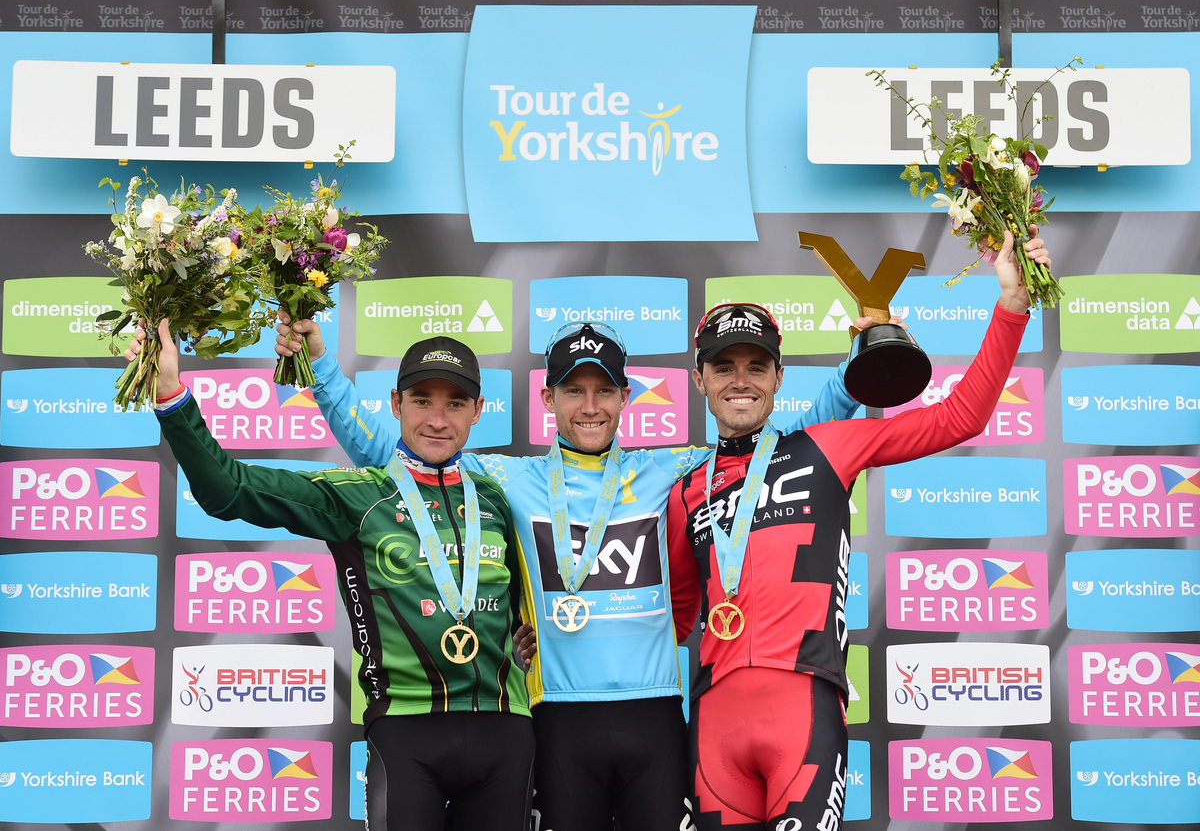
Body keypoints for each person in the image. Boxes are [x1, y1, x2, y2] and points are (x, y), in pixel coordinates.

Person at [275, 314, 872, 831]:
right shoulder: (508, 479)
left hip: (657, 714)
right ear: (547, 400)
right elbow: (391, 453)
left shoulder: (675, 469)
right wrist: (321, 367)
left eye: (604, 390)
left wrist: (856, 369)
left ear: (626, 397)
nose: (590, 407)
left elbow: (789, 449)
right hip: (557, 717)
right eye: (573, 390)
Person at [667, 229, 1051, 831]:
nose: (740, 380)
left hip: (804, 707)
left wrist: (1011, 304)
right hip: (712, 723)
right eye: (724, 367)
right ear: (700, 381)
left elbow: (962, 416)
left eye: (756, 366)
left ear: (778, 376)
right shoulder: (685, 488)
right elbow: (675, 617)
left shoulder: (828, 445)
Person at [130, 323, 533, 831]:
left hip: (507, 731)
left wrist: (532, 627)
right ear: (395, 403)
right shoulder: (359, 497)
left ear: (477, 411)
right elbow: (225, 489)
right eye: (422, 399)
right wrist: (171, 397)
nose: (437, 418)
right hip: (407, 737)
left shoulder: (500, 496)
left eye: (455, 403)